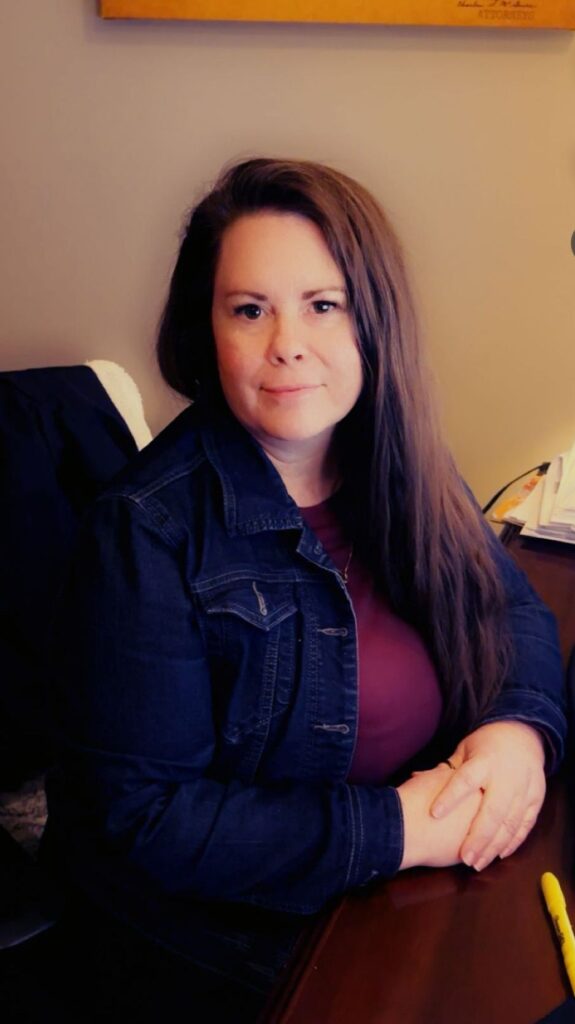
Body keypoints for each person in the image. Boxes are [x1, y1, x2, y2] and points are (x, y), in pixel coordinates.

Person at [46, 157, 566, 1019]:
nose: (286, 341)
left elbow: (504, 603)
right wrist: (395, 829)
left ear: (372, 320)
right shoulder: (145, 530)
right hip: (241, 933)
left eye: (322, 305)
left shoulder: (393, 458)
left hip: (409, 879)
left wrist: (516, 730)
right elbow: (146, 822)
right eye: (249, 309)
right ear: (205, 331)